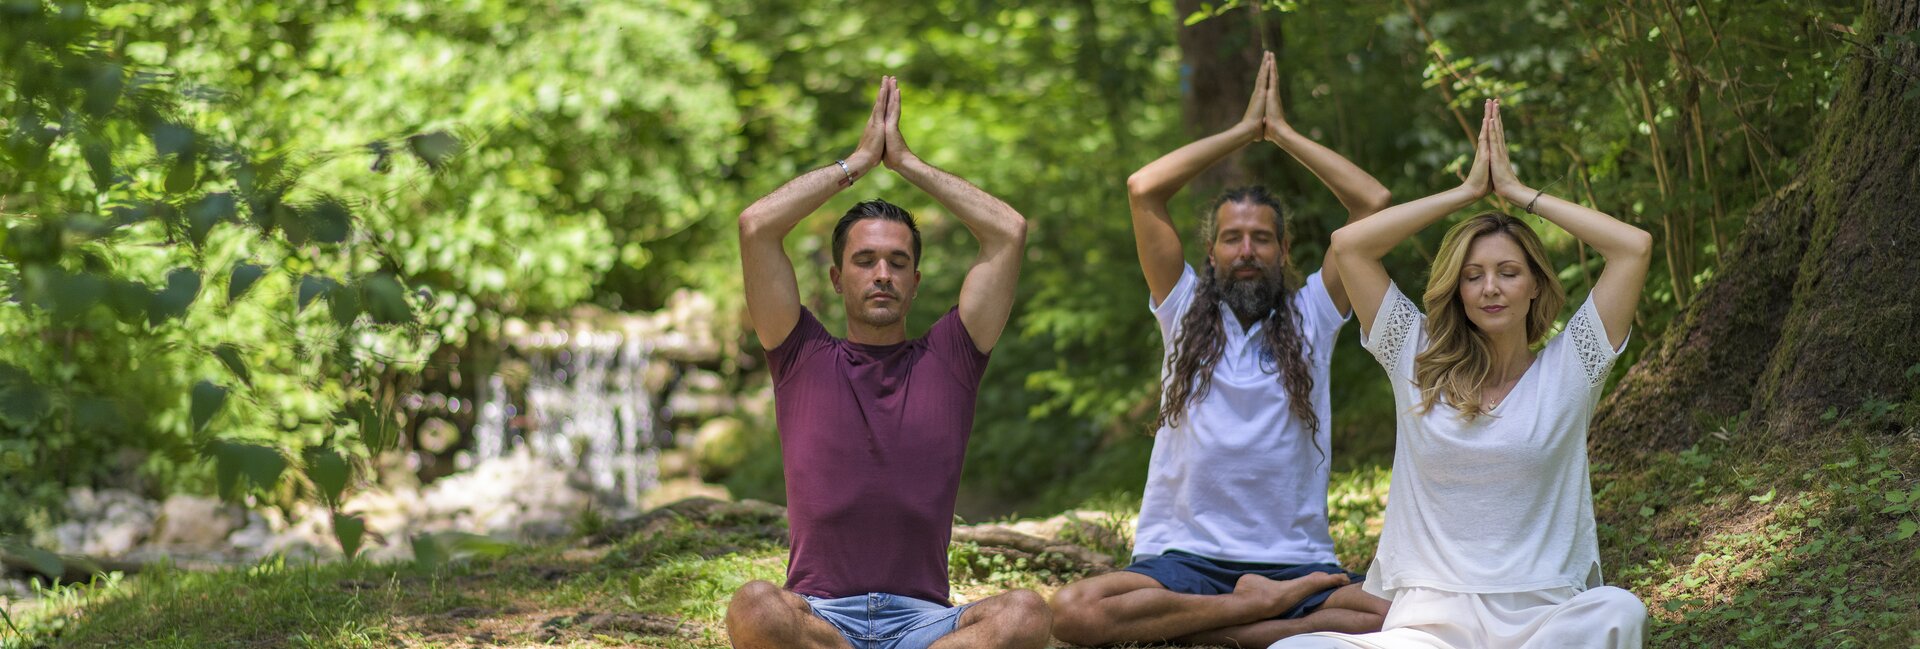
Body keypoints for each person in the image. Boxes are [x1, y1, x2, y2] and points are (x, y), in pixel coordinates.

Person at [1276, 99, 1652, 649]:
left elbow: (1633, 248)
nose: (1490, 287)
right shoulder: (1415, 356)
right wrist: (1467, 193)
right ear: (1457, 290)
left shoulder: (1572, 369)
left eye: (1507, 272)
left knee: (1620, 610)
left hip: (1543, 619)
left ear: (1534, 287)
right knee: (1296, 648)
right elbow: (1350, 246)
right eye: (1473, 276)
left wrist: (1521, 195)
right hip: (1428, 627)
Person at [1050, 51, 1392, 648]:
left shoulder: (1314, 312)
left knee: (1394, 613)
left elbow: (1372, 204)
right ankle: (1264, 618)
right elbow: (1143, 189)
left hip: (1292, 560)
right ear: (1211, 254)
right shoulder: (1181, 308)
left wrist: (1282, 134)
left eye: (1262, 238)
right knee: (1076, 611)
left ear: (1285, 252)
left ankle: (1227, 626)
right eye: (1232, 238)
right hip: (1182, 560)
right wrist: (1241, 130)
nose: (1247, 250)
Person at [724, 76, 1050, 649]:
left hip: (926, 623)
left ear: (916, 281)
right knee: (754, 607)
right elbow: (756, 226)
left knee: (1025, 614)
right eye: (865, 260)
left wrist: (905, 162)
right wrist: (856, 163)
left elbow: (1008, 232)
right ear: (835, 277)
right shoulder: (798, 352)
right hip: (823, 620)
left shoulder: (953, 356)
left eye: (898, 262)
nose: (882, 274)